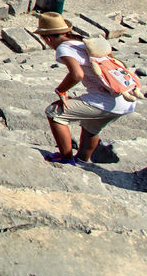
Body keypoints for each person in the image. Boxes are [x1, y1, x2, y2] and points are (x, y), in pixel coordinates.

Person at [33, 12, 136, 164]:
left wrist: (61, 90)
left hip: (107, 99)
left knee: (54, 113)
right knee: (90, 128)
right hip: (125, 99)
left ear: (47, 38)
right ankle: (81, 161)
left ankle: (66, 158)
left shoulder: (64, 48)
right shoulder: (81, 42)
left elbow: (77, 74)